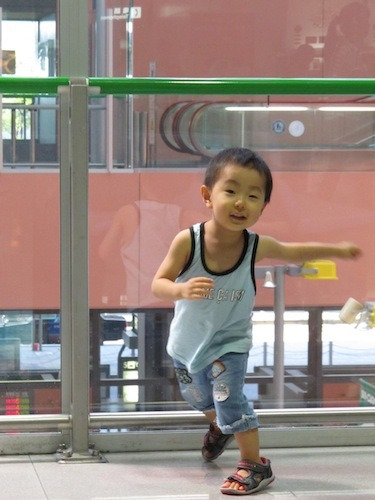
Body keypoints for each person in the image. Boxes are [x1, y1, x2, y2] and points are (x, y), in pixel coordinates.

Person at [151, 147, 362, 495]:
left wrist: (337, 250)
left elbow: (296, 251)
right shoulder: (188, 241)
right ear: (207, 196)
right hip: (187, 346)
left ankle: (254, 465)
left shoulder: (255, 246)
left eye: (253, 196)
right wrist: (181, 289)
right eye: (231, 191)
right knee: (199, 398)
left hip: (230, 346)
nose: (240, 203)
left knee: (229, 397)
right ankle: (221, 428)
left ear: (262, 207)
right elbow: (158, 283)